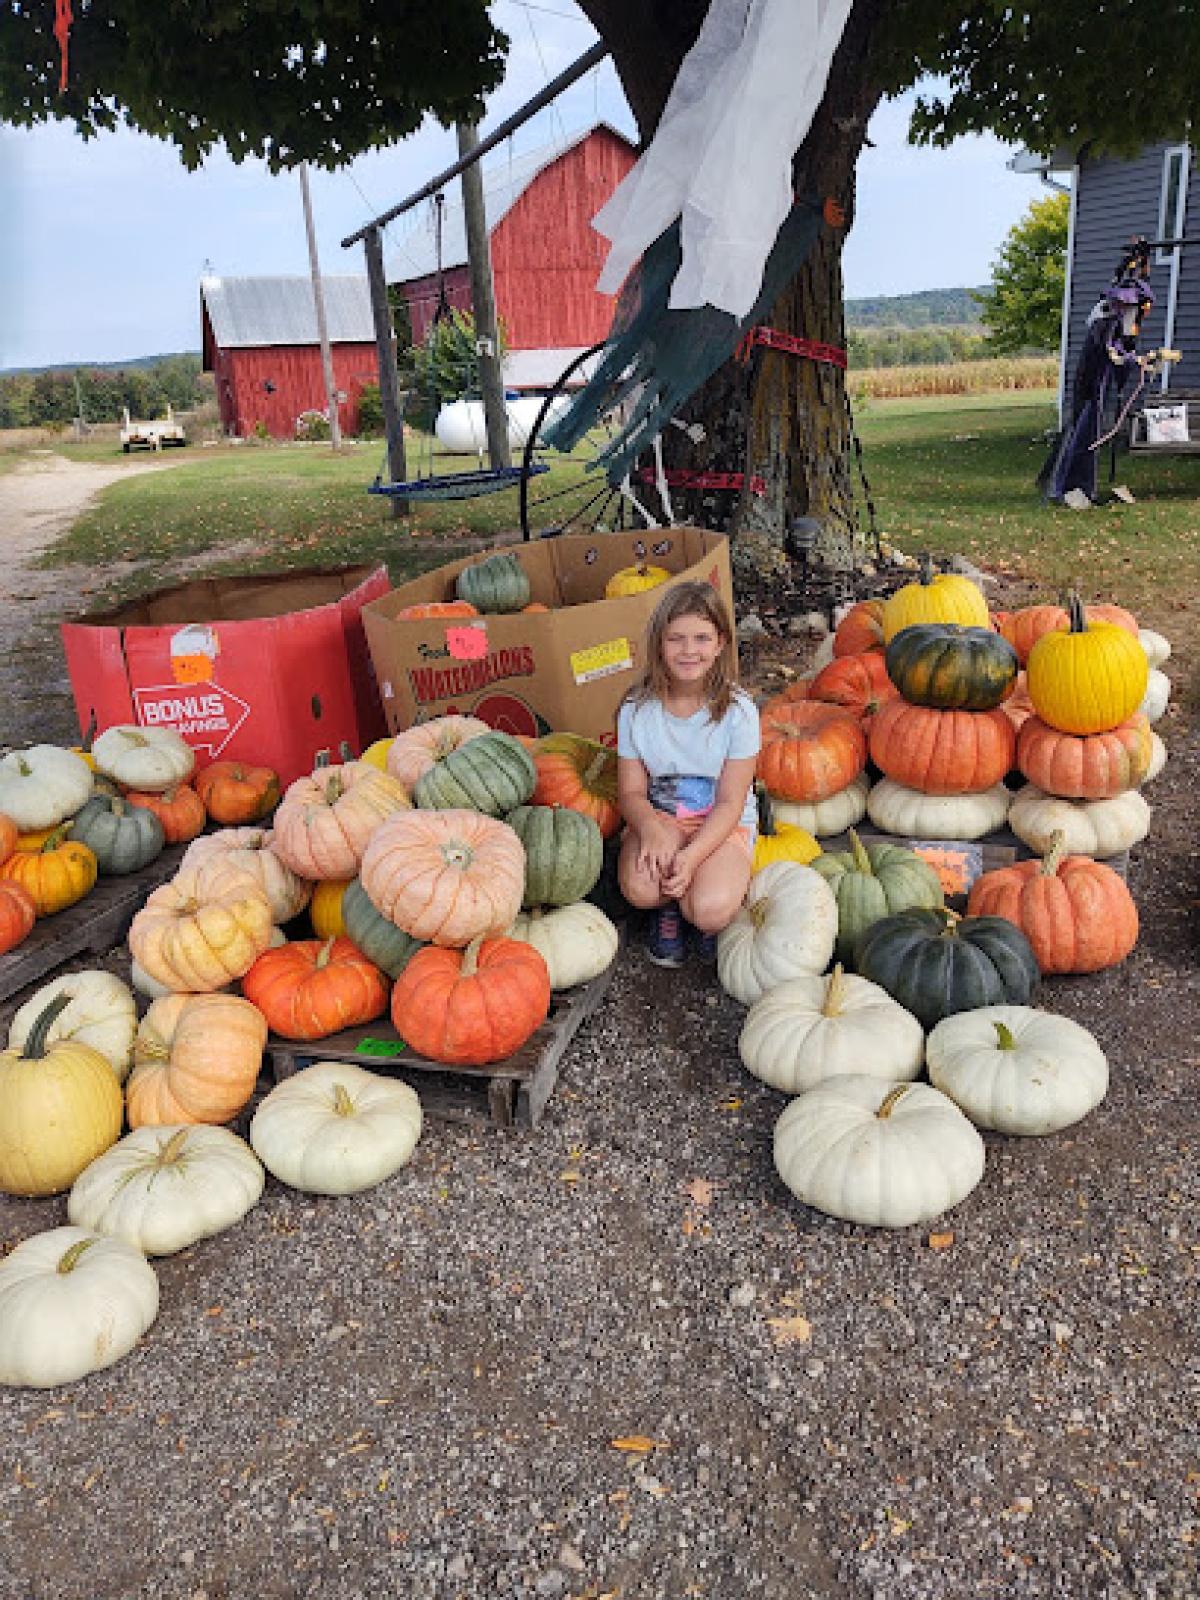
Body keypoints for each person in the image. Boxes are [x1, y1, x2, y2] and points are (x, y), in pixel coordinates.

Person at [616, 580, 759, 967]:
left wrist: (693, 857)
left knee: (710, 908)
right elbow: (630, 793)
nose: (689, 650)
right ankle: (669, 908)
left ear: (721, 642)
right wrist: (649, 828)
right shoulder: (636, 708)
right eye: (676, 638)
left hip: (720, 824)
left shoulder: (739, 712)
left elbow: (730, 802)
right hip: (663, 819)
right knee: (640, 888)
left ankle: (703, 911)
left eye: (701, 638)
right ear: (659, 643)